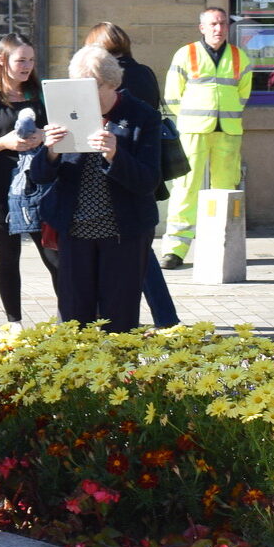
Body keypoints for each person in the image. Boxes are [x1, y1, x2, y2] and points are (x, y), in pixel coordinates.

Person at [29, 47, 163, 331]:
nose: (84, 95)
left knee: (119, 317)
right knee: (74, 316)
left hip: (123, 232)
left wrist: (116, 155)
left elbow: (148, 181)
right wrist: (50, 151)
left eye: (93, 86)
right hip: (74, 231)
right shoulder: (65, 112)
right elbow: (39, 176)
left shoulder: (143, 116)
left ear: (112, 82)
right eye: (79, 86)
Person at [84, 22, 178, 328]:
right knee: (141, 249)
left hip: (116, 169)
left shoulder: (105, 81)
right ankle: (164, 316)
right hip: (144, 168)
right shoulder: (146, 73)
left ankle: (145, 318)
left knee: (136, 252)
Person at [0, 35, 55, 324]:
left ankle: (71, 316)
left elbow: (62, 131)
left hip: (40, 186)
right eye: (21, 60)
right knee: (9, 256)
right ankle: (13, 322)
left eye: (31, 60)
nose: (27, 66)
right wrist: (4, 143)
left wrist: (43, 136)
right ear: (2, 61)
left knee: (54, 257)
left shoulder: (42, 93)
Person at [159, 6, 251, 269]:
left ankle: (223, 245)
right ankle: (175, 249)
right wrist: (191, 118)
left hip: (228, 132)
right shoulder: (186, 54)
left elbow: (243, 94)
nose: (218, 29)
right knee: (186, 187)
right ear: (202, 28)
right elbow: (173, 95)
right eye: (212, 24)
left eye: (222, 24)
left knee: (226, 189)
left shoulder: (238, 56)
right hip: (193, 130)